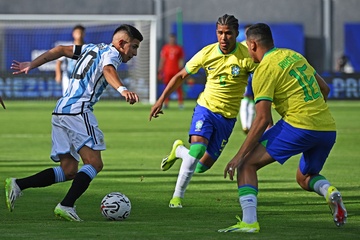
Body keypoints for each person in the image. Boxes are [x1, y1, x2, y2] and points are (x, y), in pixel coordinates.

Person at [6, 24, 143, 221]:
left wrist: (32, 64)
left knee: (69, 170)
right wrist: (122, 90)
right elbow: (108, 69)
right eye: (134, 47)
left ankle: (18, 184)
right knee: (94, 163)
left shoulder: (91, 48)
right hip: (78, 111)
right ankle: (66, 205)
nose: (135, 53)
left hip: (60, 110)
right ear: (121, 43)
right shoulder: (112, 53)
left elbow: (61, 50)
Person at [218, 23, 347, 233]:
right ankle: (329, 191)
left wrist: (238, 156)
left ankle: (249, 222)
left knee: (246, 166)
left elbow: (261, 120)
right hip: (327, 128)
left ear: (252, 45)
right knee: (304, 178)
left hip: (298, 126)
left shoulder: (263, 70)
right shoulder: (293, 55)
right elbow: (325, 88)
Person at [149, 14, 257, 209]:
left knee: (200, 167)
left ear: (236, 34)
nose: (224, 38)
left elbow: (263, 79)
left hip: (227, 118)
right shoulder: (207, 53)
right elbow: (181, 75)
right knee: (197, 149)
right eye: (220, 33)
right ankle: (177, 197)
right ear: (216, 33)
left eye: (228, 34)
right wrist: (161, 99)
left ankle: (180, 150)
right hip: (205, 109)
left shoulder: (246, 57)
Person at [55, 24, 86, 95]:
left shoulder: (88, 47)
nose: (79, 35)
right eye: (77, 33)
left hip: (82, 77)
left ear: (84, 34)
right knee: (67, 95)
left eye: (81, 33)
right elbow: (59, 62)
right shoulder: (68, 47)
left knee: (82, 96)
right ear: (73, 34)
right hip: (68, 75)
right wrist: (58, 74)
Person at [157, 33, 185, 109]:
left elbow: (181, 60)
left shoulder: (179, 48)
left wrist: (181, 69)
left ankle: (180, 103)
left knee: (178, 86)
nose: (172, 40)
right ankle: (166, 103)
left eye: (173, 38)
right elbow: (163, 59)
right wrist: (160, 69)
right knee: (166, 87)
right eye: (170, 38)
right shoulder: (165, 48)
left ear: (175, 39)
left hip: (176, 71)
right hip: (167, 71)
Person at [239, 24, 255, 134]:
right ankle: (245, 125)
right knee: (244, 101)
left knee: (253, 102)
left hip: (255, 76)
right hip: (245, 76)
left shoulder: (257, 45)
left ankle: (249, 125)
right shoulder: (241, 46)